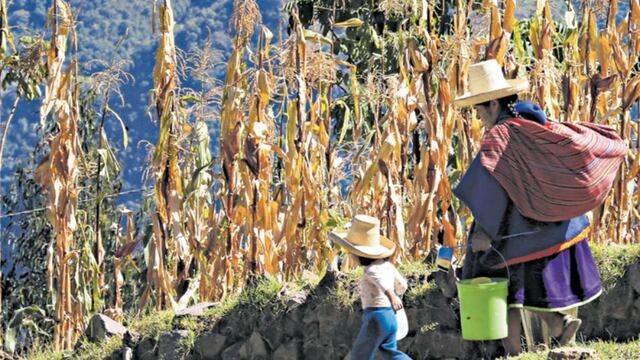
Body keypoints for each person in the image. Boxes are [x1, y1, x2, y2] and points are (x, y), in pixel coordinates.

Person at [452, 60, 626, 355]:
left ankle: (514, 352)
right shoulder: (534, 124)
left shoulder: (501, 136)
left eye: (480, 109)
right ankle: (558, 325)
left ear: (493, 104)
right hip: (552, 224)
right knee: (522, 286)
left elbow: (492, 187)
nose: (479, 117)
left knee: (498, 281)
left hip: (520, 230)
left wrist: (483, 231)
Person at [329, 214, 412, 360]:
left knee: (360, 354)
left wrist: (392, 296)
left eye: (351, 252)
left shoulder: (371, 270)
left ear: (360, 254)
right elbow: (403, 285)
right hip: (390, 317)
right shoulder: (388, 266)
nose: (349, 255)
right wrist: (396, 296)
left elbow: (382, 283)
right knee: (390, 353)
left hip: (376, 316)